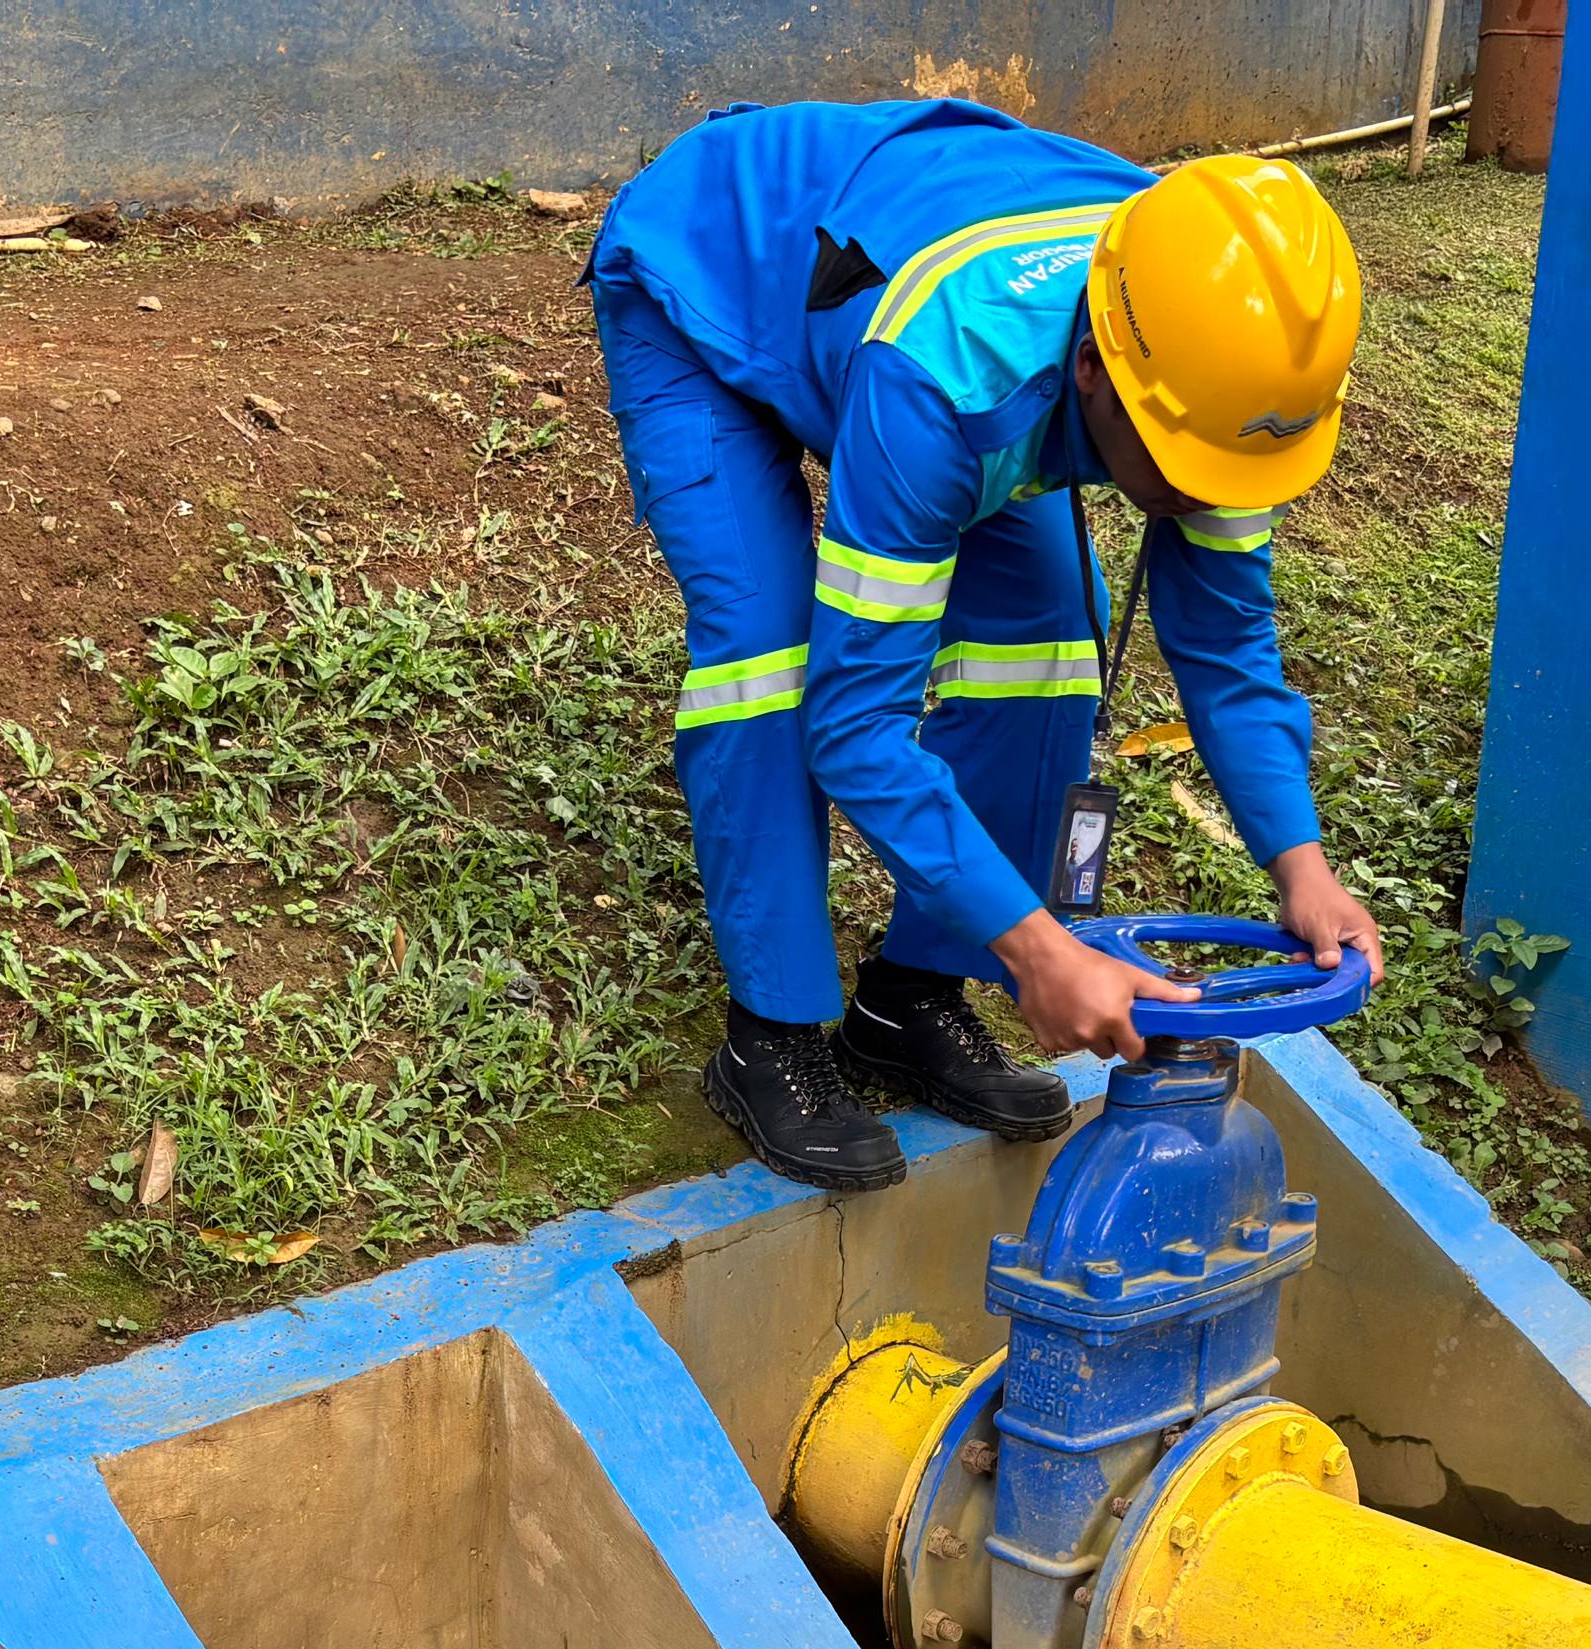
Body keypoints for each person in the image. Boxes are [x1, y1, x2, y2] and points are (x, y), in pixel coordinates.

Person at [587, 102, 1384, 1192]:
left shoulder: (1221, 386)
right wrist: (1039, 950)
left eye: (1225, 477)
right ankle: (766, 1035)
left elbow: (1227, 645)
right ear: (1097, 373)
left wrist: (1301, 865)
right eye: (1178, 471)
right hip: (713, 282)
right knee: (765, 659)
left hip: (882, 308)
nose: (1204, 502)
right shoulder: (950, 372)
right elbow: (854, 723)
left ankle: (906, 997)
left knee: (1046, 646)